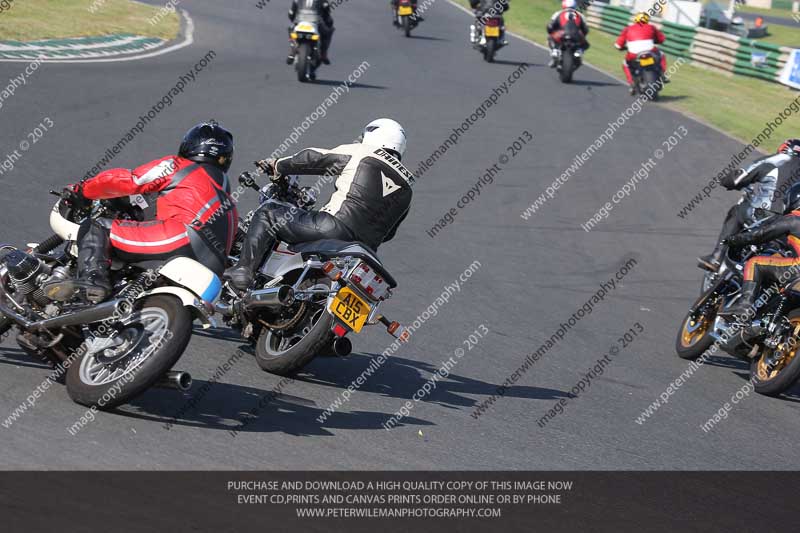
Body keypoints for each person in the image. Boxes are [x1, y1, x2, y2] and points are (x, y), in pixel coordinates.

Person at [45, 121, 238, 303]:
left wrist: (82, 190)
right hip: (212, 267)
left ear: (190, 145)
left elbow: (129, 180)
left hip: (178, 237)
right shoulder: (230, 203)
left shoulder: (180, 166)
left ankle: (93, 280)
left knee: (98, 227)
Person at [224, 119, 413, 291]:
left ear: (373, 135)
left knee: (268, 212)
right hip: (364, 251)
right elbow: (389, 234)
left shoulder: (365, 152)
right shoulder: (407, 188)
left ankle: (243, 270)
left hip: (333, 228)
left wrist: (278, 165)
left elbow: (315, 158)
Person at [699, 139, 800, 272]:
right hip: (789, 225)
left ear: (784, 149)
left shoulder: (777, 159)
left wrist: (726, 181)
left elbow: (739, 178)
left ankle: (716, 258)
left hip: (764, 214)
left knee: (737, 211)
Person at [721, 181, 800, 318]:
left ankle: (744, 306)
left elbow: (760, 235)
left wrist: (734, 239)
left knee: (755, 263)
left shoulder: (794, 219)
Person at [614, 12, 668, 94]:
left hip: (633, 54)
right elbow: (662, 39)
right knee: (662, 54)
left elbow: (618, 45)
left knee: (625, 64)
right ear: (647, 20)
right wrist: (655, 40)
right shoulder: (651, 27)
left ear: (636, 19)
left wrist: (622, 47)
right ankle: (663, 75)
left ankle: (631, 83)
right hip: (650, 51)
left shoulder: (628, 29)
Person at [288, 0, 334, 65]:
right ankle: (323, 54)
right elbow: (327, 15)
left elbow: (291, 14)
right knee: (329, 31)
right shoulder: (323, 1)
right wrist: (329, 22)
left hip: (300, 21)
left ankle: (292, 52)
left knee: (290, 29)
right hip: (315, 22)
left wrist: (294, 20)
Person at [546, 0, 590, 68]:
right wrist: (582, 35)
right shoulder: (580, 15)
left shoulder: (558, 13)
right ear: (575, 5)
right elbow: (586, 29)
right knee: (586, 44)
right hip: (576, 35)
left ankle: (555, 52)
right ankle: (579, 52)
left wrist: (551, 31)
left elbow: (550, 26)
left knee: (550, 37)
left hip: (562, 34)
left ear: (563, 5)